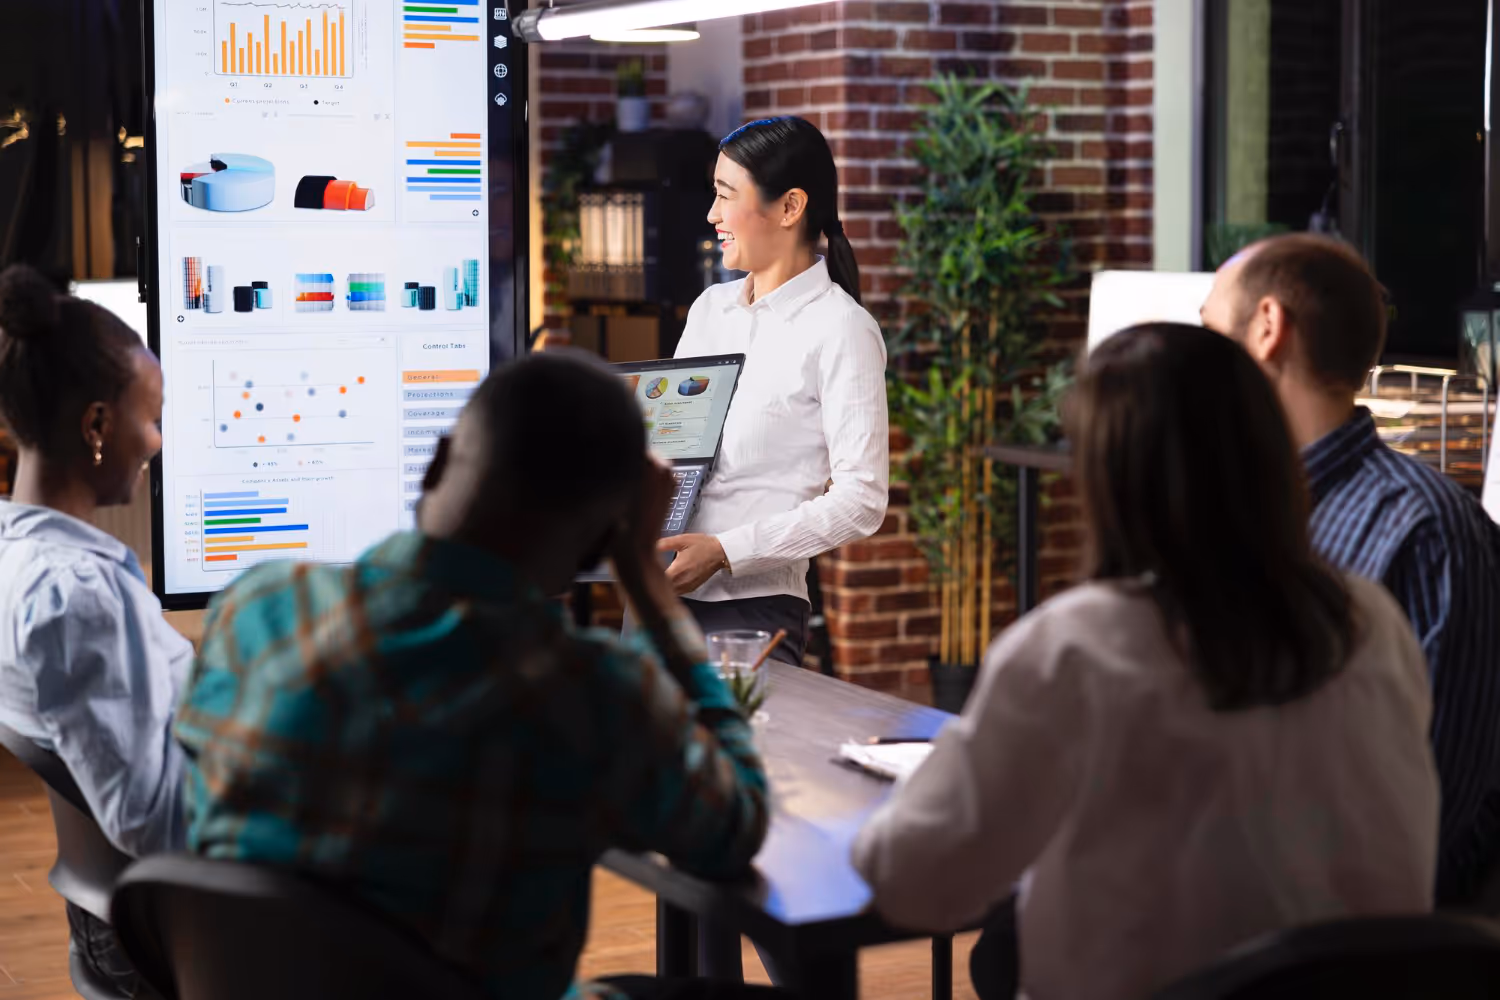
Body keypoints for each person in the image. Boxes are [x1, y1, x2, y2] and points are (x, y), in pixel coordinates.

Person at [853, 323, 1439, 1000]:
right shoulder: (1371, 623)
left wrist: (947, 778)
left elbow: (912, 881)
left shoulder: (1075, 647)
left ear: (1107, 478)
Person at [175, 352, 780, 1000]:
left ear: (436, 464)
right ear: (599, 543)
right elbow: (734, 825)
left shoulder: (258, 607)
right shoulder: (588, 691)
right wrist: (648, 583)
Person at [1200, 233, 1500, 906]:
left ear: (1267, 328)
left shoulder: (1426, 531)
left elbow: (1434, 800)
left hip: (1358, 934)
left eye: (1207, 330)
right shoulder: (1239, 514)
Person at [0, 264, 189, 996]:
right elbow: (153, 821)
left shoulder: (23, 557)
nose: (158, 440)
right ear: (99, 426)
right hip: (170, 936)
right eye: (154, 416)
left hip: (109, 923)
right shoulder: (79, 597)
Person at [663, 116, 889, 666]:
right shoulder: (709, 309)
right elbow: (673, 448)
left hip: (749, 612)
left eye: (725, 196)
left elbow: (862, 500)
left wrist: (725, 552)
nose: (712, 215)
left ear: (789, 208)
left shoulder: (841, 329)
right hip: (658, 600)